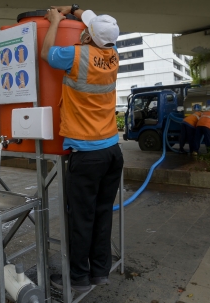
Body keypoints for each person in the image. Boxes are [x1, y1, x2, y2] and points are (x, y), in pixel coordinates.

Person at [41, 5, 124, 292]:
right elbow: (94, 24)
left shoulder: (75, 55)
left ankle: (77, 277)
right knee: (102, 213)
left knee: (81, 218)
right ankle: (99, 272)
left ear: (88, 37)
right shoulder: (113, 55)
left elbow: (45, 53)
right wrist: (74, 10)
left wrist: (54, 21)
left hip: (87, 155)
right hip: (113, 151)